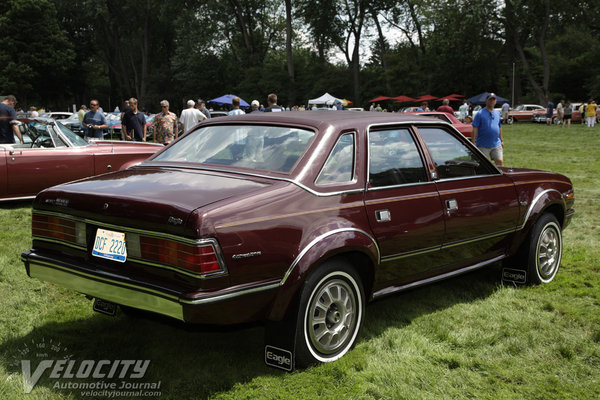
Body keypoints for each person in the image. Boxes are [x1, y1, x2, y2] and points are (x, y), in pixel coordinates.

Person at [471, 93, 503, 166]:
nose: (492, 101)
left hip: (496, 144)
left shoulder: (497, 113)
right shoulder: (480, 114)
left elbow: (499, 127)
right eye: (490, 99)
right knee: (481, 165)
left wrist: (501, 140)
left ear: (496, 101)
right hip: (482, 145)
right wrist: (473, 143)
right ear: (486, 101)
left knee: (500, 162)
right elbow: (475, 128)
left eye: (493, 99)